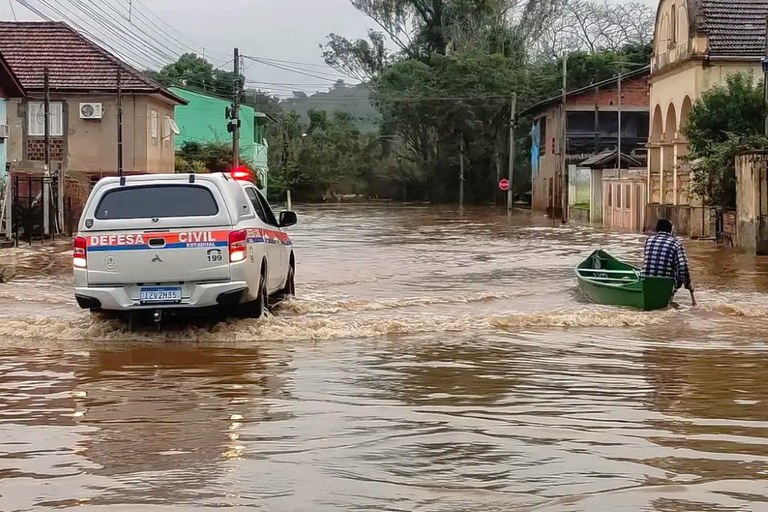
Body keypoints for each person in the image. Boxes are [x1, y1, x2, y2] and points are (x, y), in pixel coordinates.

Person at [643, 219, 693, 293]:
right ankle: (671, 293)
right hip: (666, 282)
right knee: (679, 273)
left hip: (646, 279)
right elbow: (683, 266)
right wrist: (687, 283)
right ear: (671, 230)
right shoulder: (676, 243)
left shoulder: (648, 240)